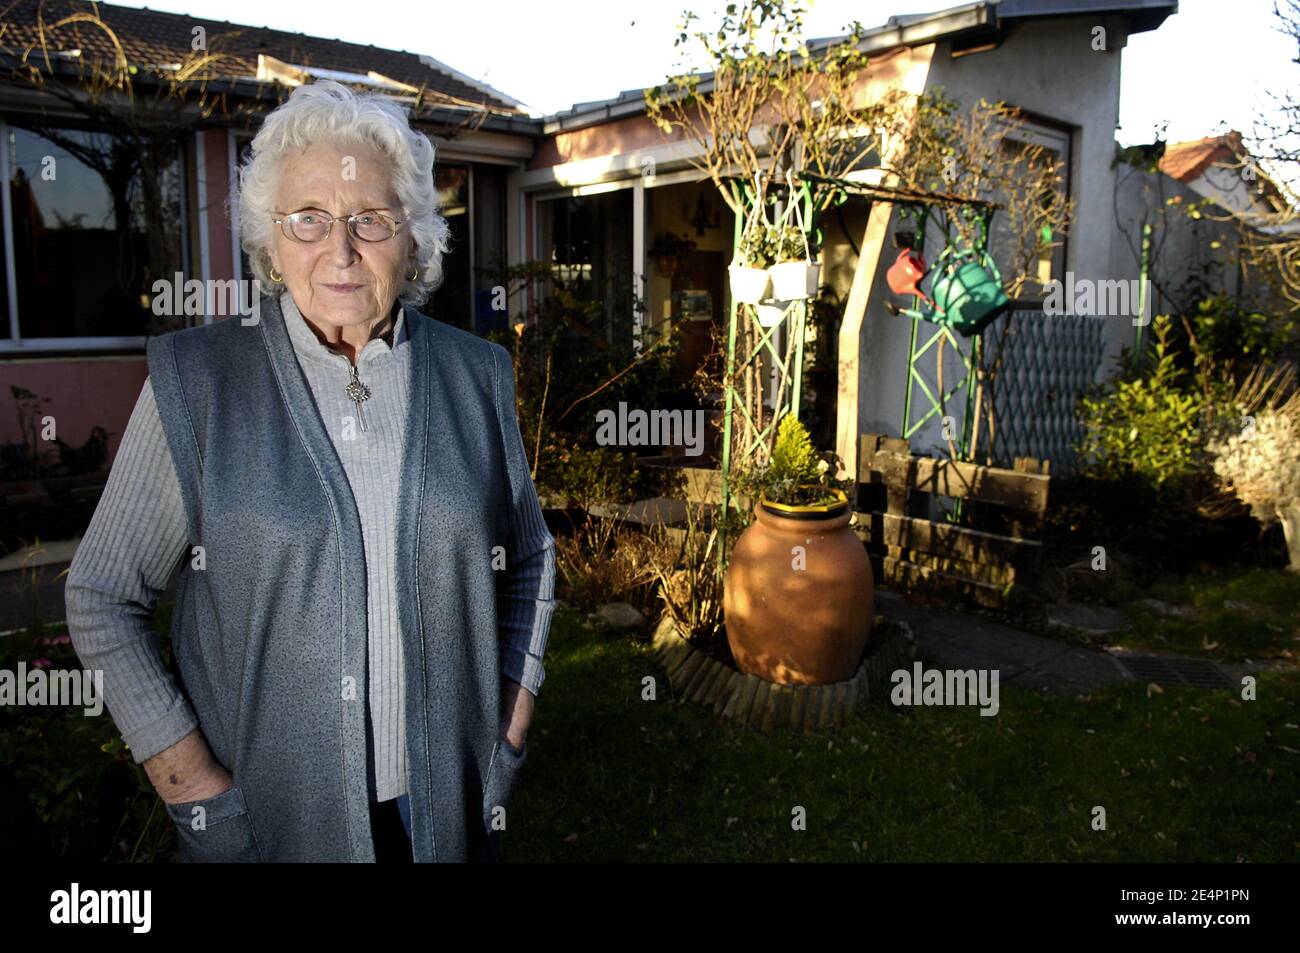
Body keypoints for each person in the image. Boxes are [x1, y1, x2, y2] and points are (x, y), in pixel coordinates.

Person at [64, 79, 556, 862]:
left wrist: (510, 722)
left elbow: (528, 553)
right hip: (272, 827)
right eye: (309, 219)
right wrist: (193, 785)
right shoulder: (198, 383)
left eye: (370, 219)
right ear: (271, 235)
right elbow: (101, 596)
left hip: (447, 816)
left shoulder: (476, 374)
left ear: (414, 235)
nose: (340, 249)